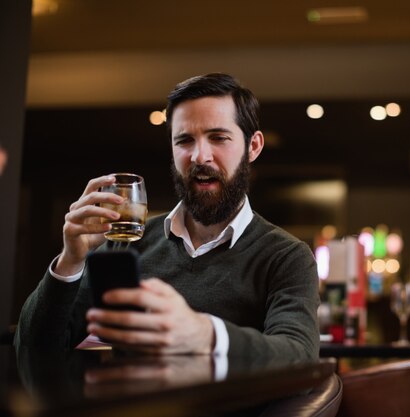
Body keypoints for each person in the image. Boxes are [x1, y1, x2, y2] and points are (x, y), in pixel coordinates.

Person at [15, 73, 320, 362]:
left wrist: (205, 336)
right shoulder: (128, 242)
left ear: (252, 146)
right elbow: (33, 348)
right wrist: (71, 260)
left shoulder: (286, 256)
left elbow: (298, 353)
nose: (200, 156)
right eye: (184, 140)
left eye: (218, 137)